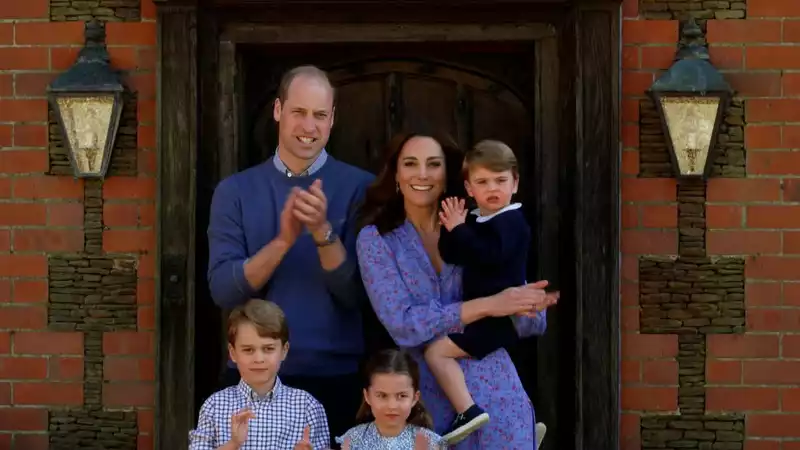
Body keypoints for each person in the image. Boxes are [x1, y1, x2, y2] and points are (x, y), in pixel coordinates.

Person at [206, 65, 377, 447]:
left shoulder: (362, 189)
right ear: (278, 111)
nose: (309, 126)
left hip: (338, 379)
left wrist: (322, 233)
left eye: (320, 115)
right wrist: (283, 241)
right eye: (299, 112)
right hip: (251, 380)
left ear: (333, 119)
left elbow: (358, 297)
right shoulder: (234, 191)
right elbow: (223, 291)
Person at [355, 130, 558, 449]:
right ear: (396, 173)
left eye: (433, 164)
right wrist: (490, 305)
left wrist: (529, 303)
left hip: (498, 393)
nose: (422, 174)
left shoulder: (478, 225)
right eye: (410, 163)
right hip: (428, 404)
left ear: (447, 174)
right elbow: (404, 325)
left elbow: (528, 318)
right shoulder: (376, 240)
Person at [424, 139, 535, 444]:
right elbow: (452, 254)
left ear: (515, 183)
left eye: (500, 180)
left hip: (496, 321)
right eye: (482, 182)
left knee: (436, 352)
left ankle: (468, 411)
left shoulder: (512, 222)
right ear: (469, 189)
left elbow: (490, 255)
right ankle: (522, 429)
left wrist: (460, 230)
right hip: (482, 316)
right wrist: (451, 227)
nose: (492, 188)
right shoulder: (478, 219)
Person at [189, 300, 329, 450]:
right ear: (233, 353)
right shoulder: (214, 406)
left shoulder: (308, 407)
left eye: (268, 349)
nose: (259, 359)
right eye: (248, 350)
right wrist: (233, 444)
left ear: (284, 351)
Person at [336, 349, 445, 450]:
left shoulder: (430, 443)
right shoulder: (352, 440)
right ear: (367, 396)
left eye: (401, 396)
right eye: (382, 396)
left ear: (414, 398)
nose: (392, 405)